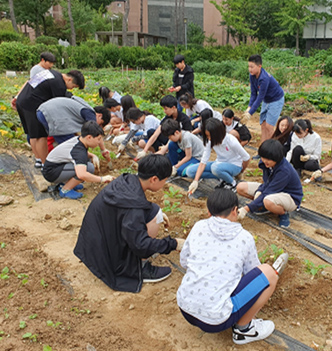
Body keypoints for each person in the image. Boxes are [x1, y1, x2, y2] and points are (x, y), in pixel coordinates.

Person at [177, 189, 283, 345]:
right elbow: (253, 272)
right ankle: (243, 329)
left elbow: (184, 261)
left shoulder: (199, 226)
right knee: (269, 273)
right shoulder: (244, 238)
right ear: (235, 211)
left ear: (208, 212)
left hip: (185, 308)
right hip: (214, 321)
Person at [74, 154, 185, 293]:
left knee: (155, 210)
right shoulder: (134, 208)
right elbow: (141, 244)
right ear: (154, 179)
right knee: (152, 216)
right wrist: (173, 243)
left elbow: (132, 209)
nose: (165, 183)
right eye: (165, 180)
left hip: (92, 247)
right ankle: (141, 267)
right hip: (107, 258)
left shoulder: (126, 180)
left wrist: (156, 213)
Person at [15, 69, 85, 167]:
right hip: (32, 105)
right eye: (73, 86)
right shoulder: (59, 84)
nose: (71, 89)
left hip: (22, 101)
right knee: (41, 136)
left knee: (32, 134)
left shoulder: (52, 73)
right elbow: (58, 105)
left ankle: (38, 159)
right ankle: (45, 164)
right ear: (69, 79)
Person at [237, 139, 303, 228]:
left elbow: (269, 191)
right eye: (263, 157)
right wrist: (259, 191)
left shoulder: (284, 171)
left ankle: (283, 213)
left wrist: (246, 209)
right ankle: (264, 206)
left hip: (289, 196)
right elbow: (266, 183)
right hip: (271, 189)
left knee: (267, 201)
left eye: (269, 159)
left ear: (277, 157)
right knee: (240, 187)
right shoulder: (265, 163)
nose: (265, 161)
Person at [42, 121, 115, 200]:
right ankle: (65, 189)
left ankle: (70, 183)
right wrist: (102, 179)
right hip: (51, 172)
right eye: (98, 139)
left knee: (87, 165)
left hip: (57, 166)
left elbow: (74, 153)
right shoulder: (79, 151)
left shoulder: (79, 139)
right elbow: (82, 175)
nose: (99, 142)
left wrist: (92, 155)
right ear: (89, 137)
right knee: (88, 168)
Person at [186, 118, 250, 192]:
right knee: (190, 171)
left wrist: (241, 171)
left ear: (217, 133)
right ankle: (223, 177)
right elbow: (203, 162)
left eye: (210, 136)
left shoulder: (231, 140)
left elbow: (246, 157)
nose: (209, 138)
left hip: (234, 165)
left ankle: (232, 183)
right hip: (219, 164)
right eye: (207, 136)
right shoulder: (210, 141)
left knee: (215, 168)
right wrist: (196, 181)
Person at [241, 54, 285, 145]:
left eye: (252, 67)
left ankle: (274, 149)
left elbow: (259, 97)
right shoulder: (252, 76)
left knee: (269, 127)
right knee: (263, 125)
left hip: (276, 100)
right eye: (249, 66)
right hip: (267, 100)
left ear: (259, 66)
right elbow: (254, 94)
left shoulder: (264, 79)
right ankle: (263, 150)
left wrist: (250, 113)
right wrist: (249, 108)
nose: (250, 69)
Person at [36, 96, 111, 144]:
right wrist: (103, 150)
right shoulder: (90, 113)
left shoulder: (84, 108)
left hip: (43, 110)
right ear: (99, 115)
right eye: (100, 124)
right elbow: (94, 131)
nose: (98, 126)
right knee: (70, 145)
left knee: (70, 142)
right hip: (52, 115)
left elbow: (73, 130)